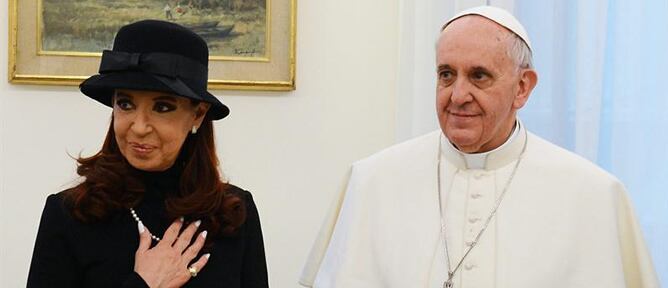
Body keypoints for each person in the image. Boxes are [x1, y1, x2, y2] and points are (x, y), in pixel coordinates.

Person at [300, 6, 658, 288]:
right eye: (446, 74)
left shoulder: (592, 194)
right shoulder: (372, 180)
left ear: (523, 87)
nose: (458, 95)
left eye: (479, 76)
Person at [27, 20, 268, 288]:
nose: (139, 127)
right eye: (125, 104)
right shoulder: (70, 214)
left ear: (198, 115)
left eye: (162, 107)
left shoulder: (234, 212)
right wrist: (145, 284)